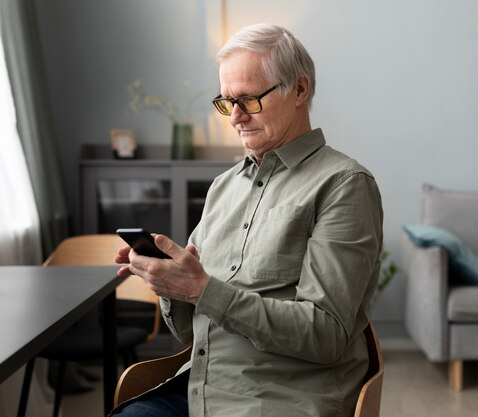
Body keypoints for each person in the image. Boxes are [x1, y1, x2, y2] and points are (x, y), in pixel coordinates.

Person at [114, 23, 383, 417]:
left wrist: (203, 289)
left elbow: (326, 335)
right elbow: (191, 332)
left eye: (249, 100)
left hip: (283, 398)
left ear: (300, 90)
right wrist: (171, 284)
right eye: (226, 102)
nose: (235, 117)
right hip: (200, 387)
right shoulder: (223, 188)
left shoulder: (344, 185)